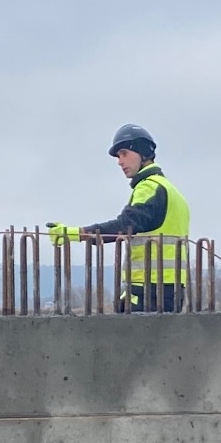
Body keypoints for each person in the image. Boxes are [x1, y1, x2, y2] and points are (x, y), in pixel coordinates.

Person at [48, 123, 190, 311]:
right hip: (170, 289)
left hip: (149, 289)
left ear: (142, 152)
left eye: (124, 153)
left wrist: (74, 234)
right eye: (118, 156)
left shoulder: (149, 187)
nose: (120, 162)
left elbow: (125, 225)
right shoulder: (172, 191)